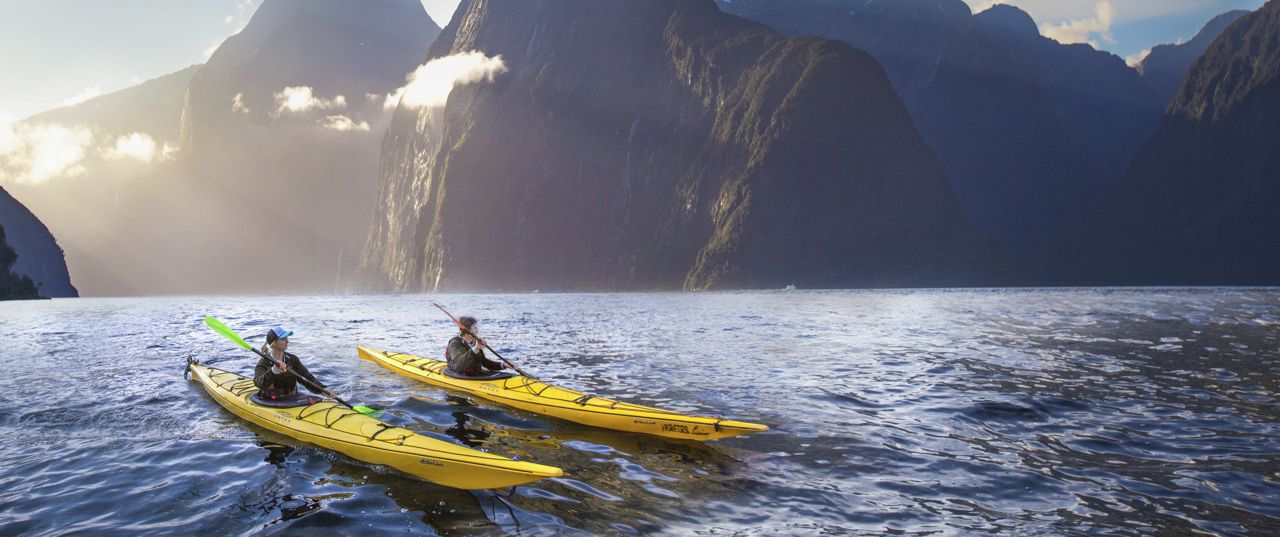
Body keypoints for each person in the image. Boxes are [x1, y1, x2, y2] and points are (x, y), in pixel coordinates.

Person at [253, 326, 336, 401]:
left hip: (291, 399)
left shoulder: (293, 359)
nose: (287, 341)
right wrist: (273, 371)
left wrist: (322, 389)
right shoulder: (264, 362)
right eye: (283, 338)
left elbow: (306, 377)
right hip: (269, 400)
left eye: (287, 338)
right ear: (274, 343)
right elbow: (258, 383)